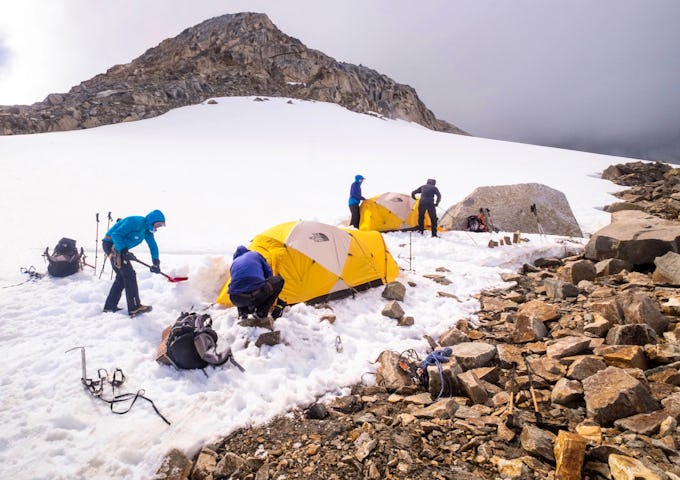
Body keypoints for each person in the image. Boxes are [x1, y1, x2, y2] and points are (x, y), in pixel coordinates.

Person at [102, 209, 166, 317]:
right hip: (112, 245)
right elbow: (116, 234)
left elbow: (153, 245)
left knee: (122, 277)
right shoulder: (136, 222)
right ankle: (134, 307)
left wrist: (156, 262)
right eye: (158, 223)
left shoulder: (147, 230)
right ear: (152, 220)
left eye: (161, 225)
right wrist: (123, 251)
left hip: (119, 248)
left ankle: (110, 306)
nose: (158, 226)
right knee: (129, 275)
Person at [228, 245, 286, 320]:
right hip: (255, 294)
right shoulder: (255, 254)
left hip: (235, 299)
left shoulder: (234, 263)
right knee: (279, 280)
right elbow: (268, 274)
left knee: (240, 287)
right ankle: (262, 312)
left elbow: (235, 283)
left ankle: (243, 313)